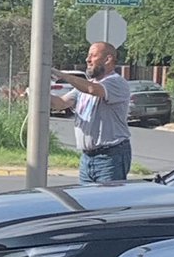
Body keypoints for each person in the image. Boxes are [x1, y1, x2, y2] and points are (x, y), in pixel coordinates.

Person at [51, 42, 131, 184]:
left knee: (107, 203)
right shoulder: (85, 86)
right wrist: (34, 94)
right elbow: (60, 104)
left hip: (110, 157)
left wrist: (63, 75)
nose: (87, 60)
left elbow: (93, 90)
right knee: (88, 203)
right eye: (88, 56)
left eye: (93, 56)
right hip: (87, 158)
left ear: (108, 59)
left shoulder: (116, 82)